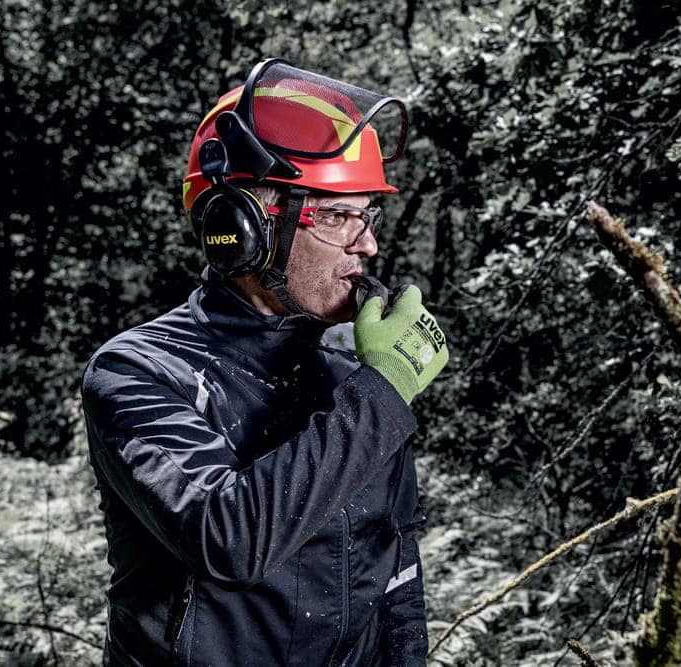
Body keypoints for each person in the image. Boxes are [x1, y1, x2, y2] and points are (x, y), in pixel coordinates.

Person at [80, 58, 449, 666]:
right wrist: (385, 388)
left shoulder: (351, 385)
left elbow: (397, 574)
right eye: (336, 216)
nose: (368, 244)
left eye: (367, 216)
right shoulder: (138, 371)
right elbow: (228, 540)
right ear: (243, 229)